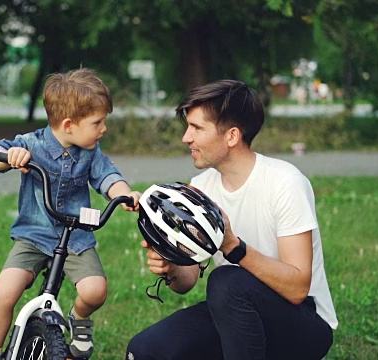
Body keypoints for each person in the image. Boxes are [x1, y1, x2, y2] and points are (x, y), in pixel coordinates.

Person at [126, 80, 338, 360]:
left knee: (226, 281)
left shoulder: (285, 182)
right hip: (236, 309)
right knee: (144, 351)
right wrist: (170, 264)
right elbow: (185, 282)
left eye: (197, 128)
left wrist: (233, 246)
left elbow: (298, 288)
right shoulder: (201, 187)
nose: (186, 138)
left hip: (304, 324)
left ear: (232, 136)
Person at [0, 68, 141, 360]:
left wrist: (125, 194)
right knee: (5, 291)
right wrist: (8, 158)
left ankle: (78, 317)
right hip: (34, 234)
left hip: (76, 236)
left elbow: (108, 177)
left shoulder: (91, 152)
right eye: (97, 122)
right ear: (69, 125)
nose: (103, 129)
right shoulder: (31, 145)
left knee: (95, 290)